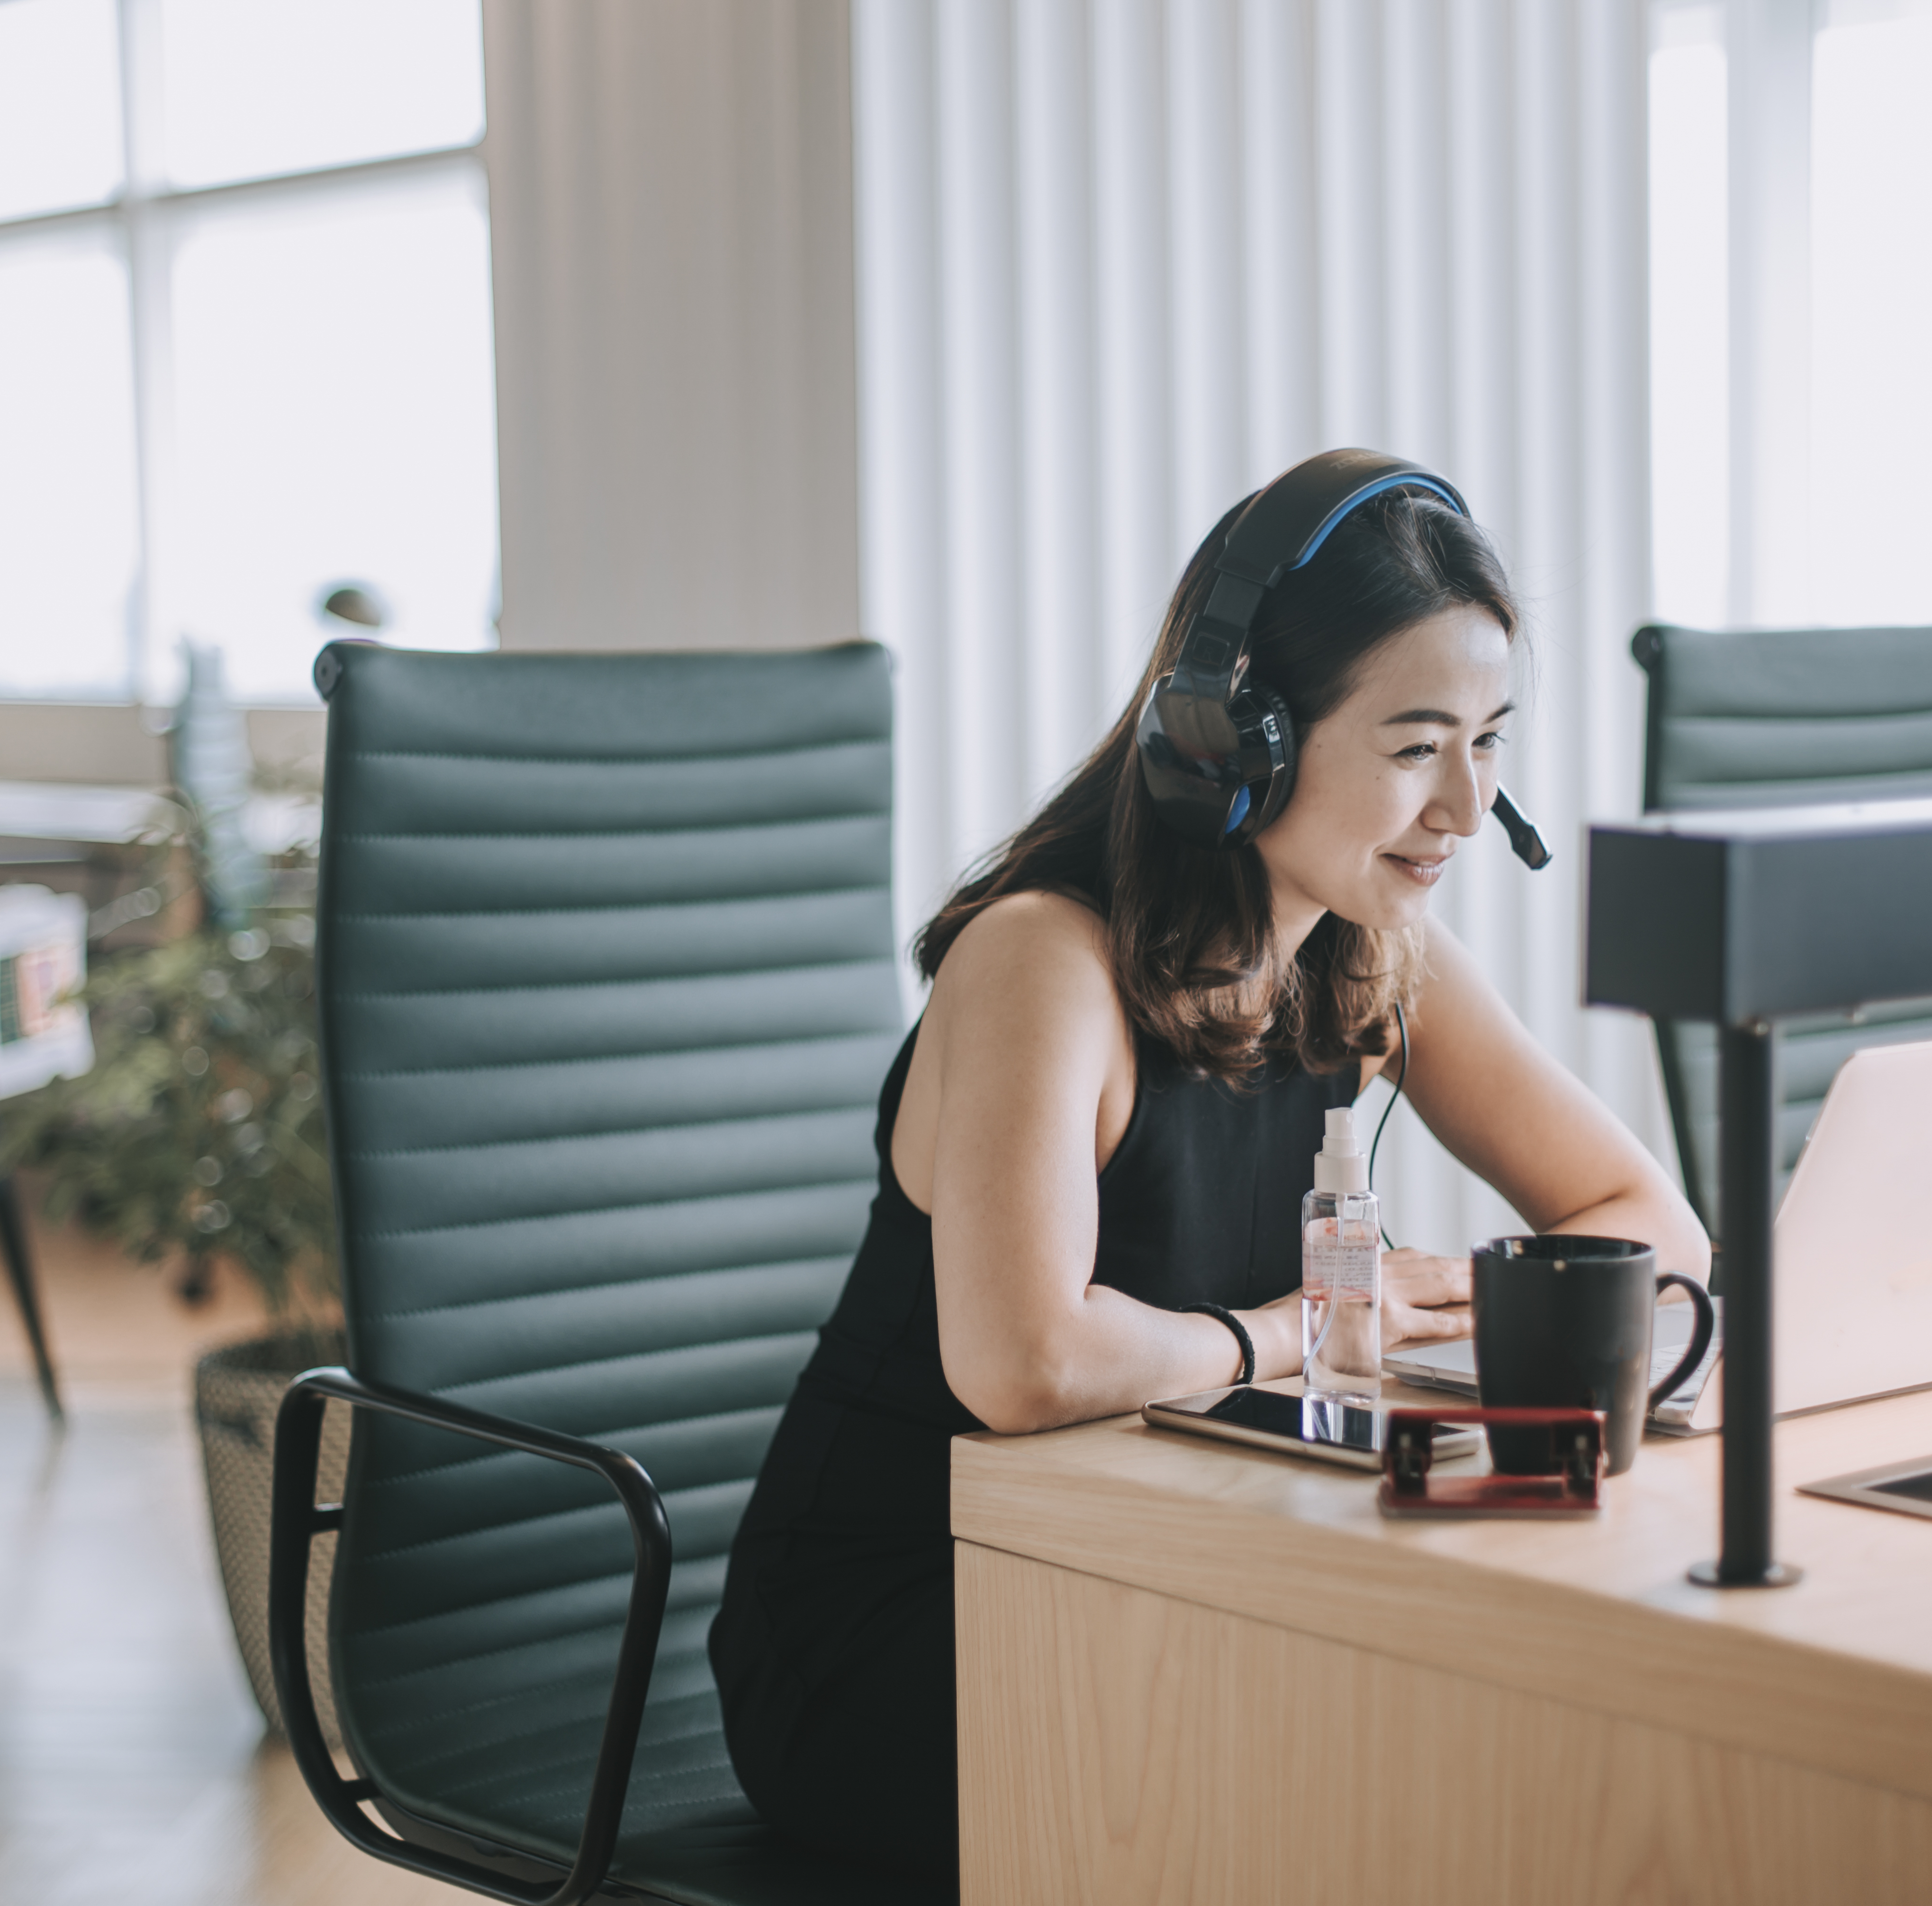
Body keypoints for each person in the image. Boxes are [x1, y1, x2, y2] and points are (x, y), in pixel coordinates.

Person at [707, 465, 1708, 1879]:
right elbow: (1024, 1361)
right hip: (909, 1631)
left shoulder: (1372, 945)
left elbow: (1648, 1227)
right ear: (1235, 737)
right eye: (1417, 747)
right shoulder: (1045, 962)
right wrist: (1293, 1334)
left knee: (1518, 1758)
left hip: (1165, 1569)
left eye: (1490, 742)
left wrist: (1471, 1311)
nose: (1469, 808)